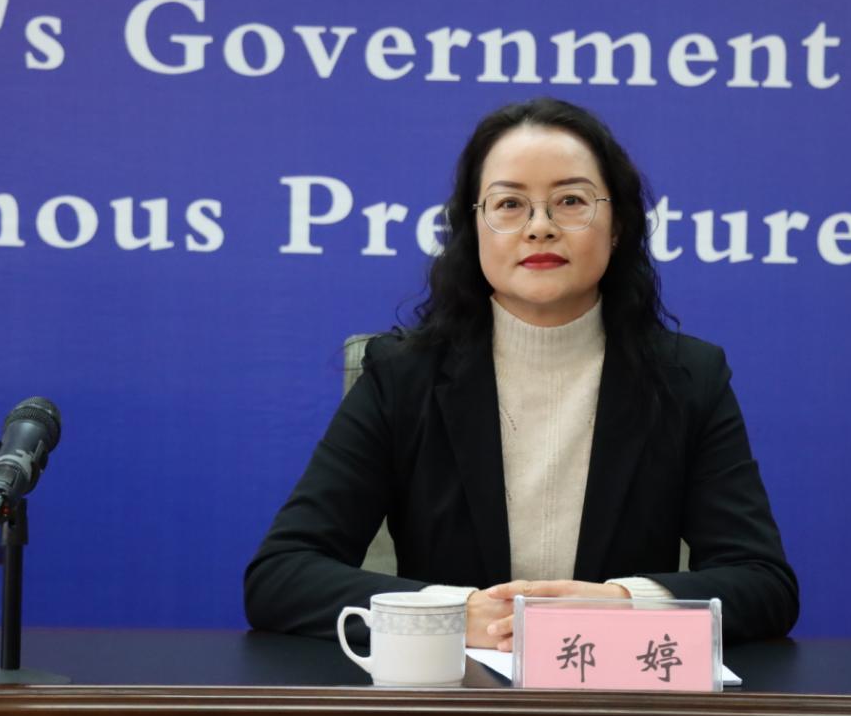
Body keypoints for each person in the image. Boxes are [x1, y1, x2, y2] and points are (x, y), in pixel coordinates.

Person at [244, 97, 798, 649]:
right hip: (453, 693)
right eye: (509, 204)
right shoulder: (403, 377)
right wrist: (454, 614)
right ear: (473, 228)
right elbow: (281, 576)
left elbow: (763, 583)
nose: (540, 228)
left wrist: (627, 605)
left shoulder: (687, 378)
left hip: (618, 693)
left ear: (618, 226)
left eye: (571, 201)